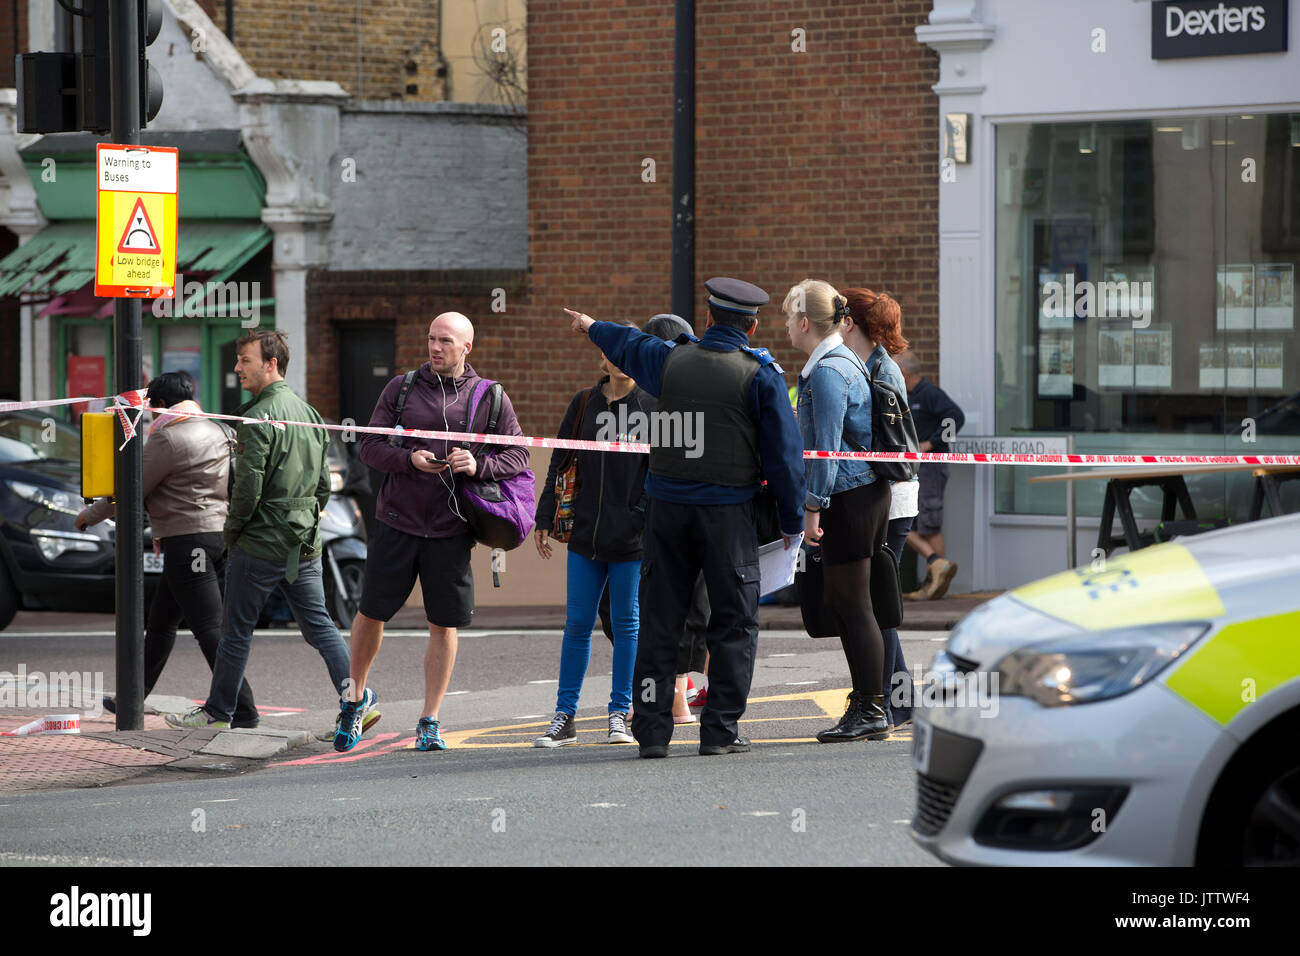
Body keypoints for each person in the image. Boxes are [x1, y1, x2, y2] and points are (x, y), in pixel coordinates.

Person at [565, 276, 806, 758]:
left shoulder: (672, 360)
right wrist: (791, 520)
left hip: (666, 513)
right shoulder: (761, 375)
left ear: (710, 318)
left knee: (660, 621)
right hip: (727, 515)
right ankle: (719, 730)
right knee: (733, 623)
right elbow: (784, 456)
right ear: (753, 326)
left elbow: (630, 344)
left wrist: (592, 326)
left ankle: (652, 733)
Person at [334, 313, 531, 753]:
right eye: (430, 339)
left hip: (452, 527)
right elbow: (369, 446)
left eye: (445, 341)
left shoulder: (490, 397)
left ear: (467, 348)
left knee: (443, 623)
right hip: (397, 522)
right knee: (371, 612)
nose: (435, 347)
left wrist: (479, 465)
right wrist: (409, 459)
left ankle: (430, 719)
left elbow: (518, 453)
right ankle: (355, 699)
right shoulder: (401, 388)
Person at [167, 331, 359, 730]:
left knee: (235, 632)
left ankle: (219, 712)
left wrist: (232, 534)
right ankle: (355, 696)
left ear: (271, 364)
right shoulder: (310, 414)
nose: (237, 368)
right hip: (303, 542)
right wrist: (304, 520)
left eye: (245, 360)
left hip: (259, 543)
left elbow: (248, 486)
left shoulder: (256, 417)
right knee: (321, 626)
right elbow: (323, 486)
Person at [77, 372, 257, 727]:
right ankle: (131, 697)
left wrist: (90, 515)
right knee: (161, 624)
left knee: (209, 627)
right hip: (214, 535)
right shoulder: (219, 430)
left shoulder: (169, 438)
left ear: (156, 405)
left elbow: (132, 487)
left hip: (187, 539)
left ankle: (244, 710)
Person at [532, 323, 655, 746]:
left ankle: (620, 712)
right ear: (602, 356)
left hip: (631, 540)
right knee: (577, 624)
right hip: (586, 535)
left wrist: (639, 517)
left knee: (627, 625)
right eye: (609, 349)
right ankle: (564, 716)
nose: (617, 356)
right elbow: (560, 460)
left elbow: (658, 473)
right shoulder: (584, 403)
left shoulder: (654, 407)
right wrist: (544, 513)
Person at [784, 279, 891, 742]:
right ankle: (867, 705)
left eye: (788, 317)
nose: (786, 325)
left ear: (805, 322)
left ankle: (871, 708)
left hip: (847, 497)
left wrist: (813, 509)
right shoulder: (835, 361)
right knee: (848, 604)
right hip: (856, 494)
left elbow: (826, 450)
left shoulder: (828, 371)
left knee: (854, 604)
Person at [840, 287, 915, 729]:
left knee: (873, 603)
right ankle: (898, 702)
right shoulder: (869, 364)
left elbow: (884, 443)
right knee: (877, 602)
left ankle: (880, 705)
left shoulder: (879, 371)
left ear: (850, 322)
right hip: (887, 496)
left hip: (891, 499)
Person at [897, 350, 965, 601]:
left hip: (931, 467)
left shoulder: (929, 394)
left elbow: (957, 417)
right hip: (913, 468)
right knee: (912, 523)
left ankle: (938, 579)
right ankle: (937, 572)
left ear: (904, 372)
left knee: (929, 526)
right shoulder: (907, 395)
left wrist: (931, 444)